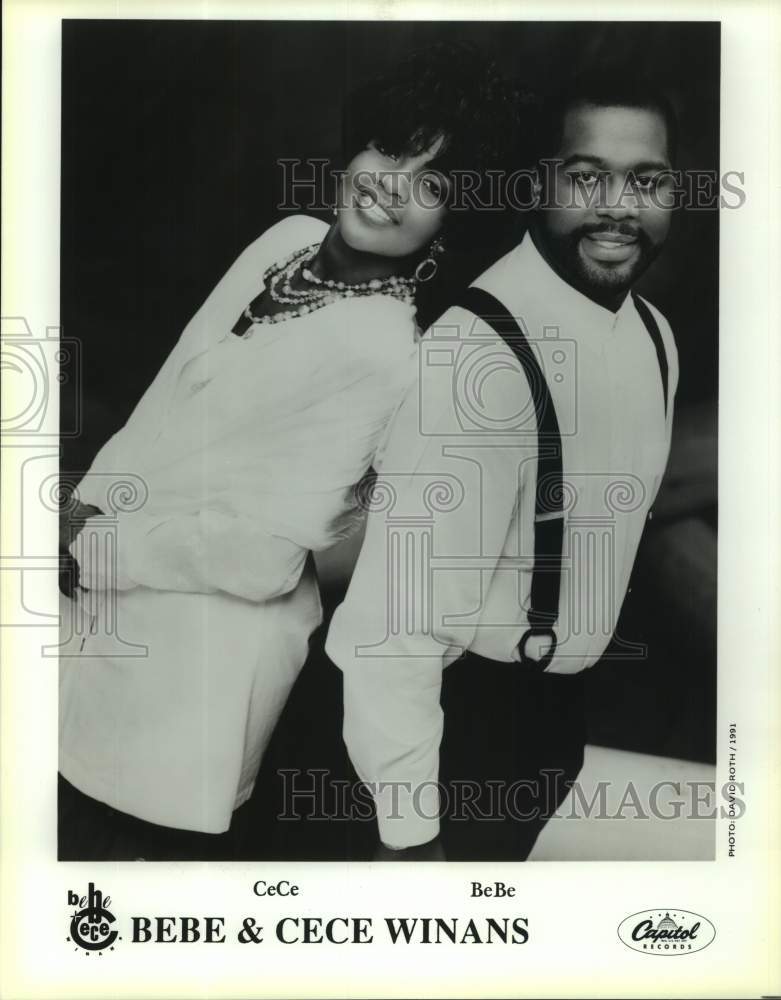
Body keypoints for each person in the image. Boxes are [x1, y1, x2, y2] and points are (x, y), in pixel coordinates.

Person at [57, 41, 520, 861]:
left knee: (106, 898)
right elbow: (166, 397)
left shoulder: (384, 350)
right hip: (91, 599)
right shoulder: (286, 240)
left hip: (196, 672)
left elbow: (264, 557)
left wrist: (90, 544)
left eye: (431, 183)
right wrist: (86, 502)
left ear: (454, 219)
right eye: (390, 148)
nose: (389, 184)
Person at [326, 73, 681, 860]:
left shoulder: (654, 335)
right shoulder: (476, 352)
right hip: (452, 739)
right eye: (585, 176)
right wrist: (411, 844)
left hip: (550, 727)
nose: (618, 206)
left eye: (645, 179)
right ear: (536, 185)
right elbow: (396, 626)